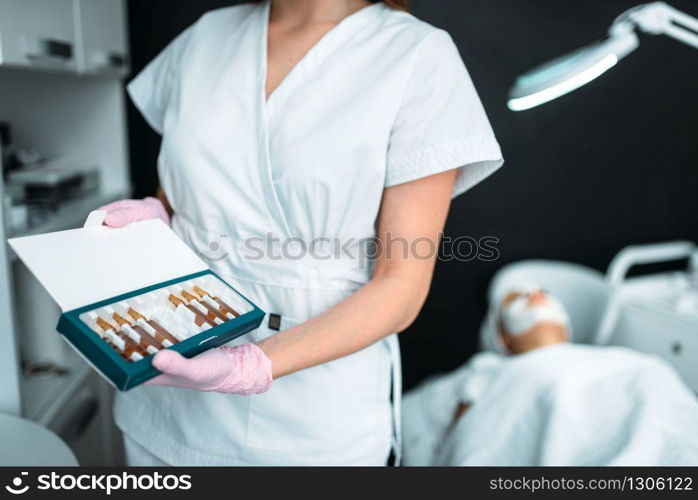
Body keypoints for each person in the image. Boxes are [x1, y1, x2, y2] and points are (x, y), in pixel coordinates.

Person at [100, 0, 503, 466]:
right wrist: (156, 214)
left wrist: (253, 364)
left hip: (308, 422)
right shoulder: (207, 35)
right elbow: (182, 194)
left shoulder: (417, 53)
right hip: (163, 393)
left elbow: (401, 288)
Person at [402, 285, 698, 466]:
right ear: (502, 339)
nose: (536, 295)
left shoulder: (622, 360)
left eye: (544, 293)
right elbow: (472, 439)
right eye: (519, 298)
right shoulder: (492, 373)